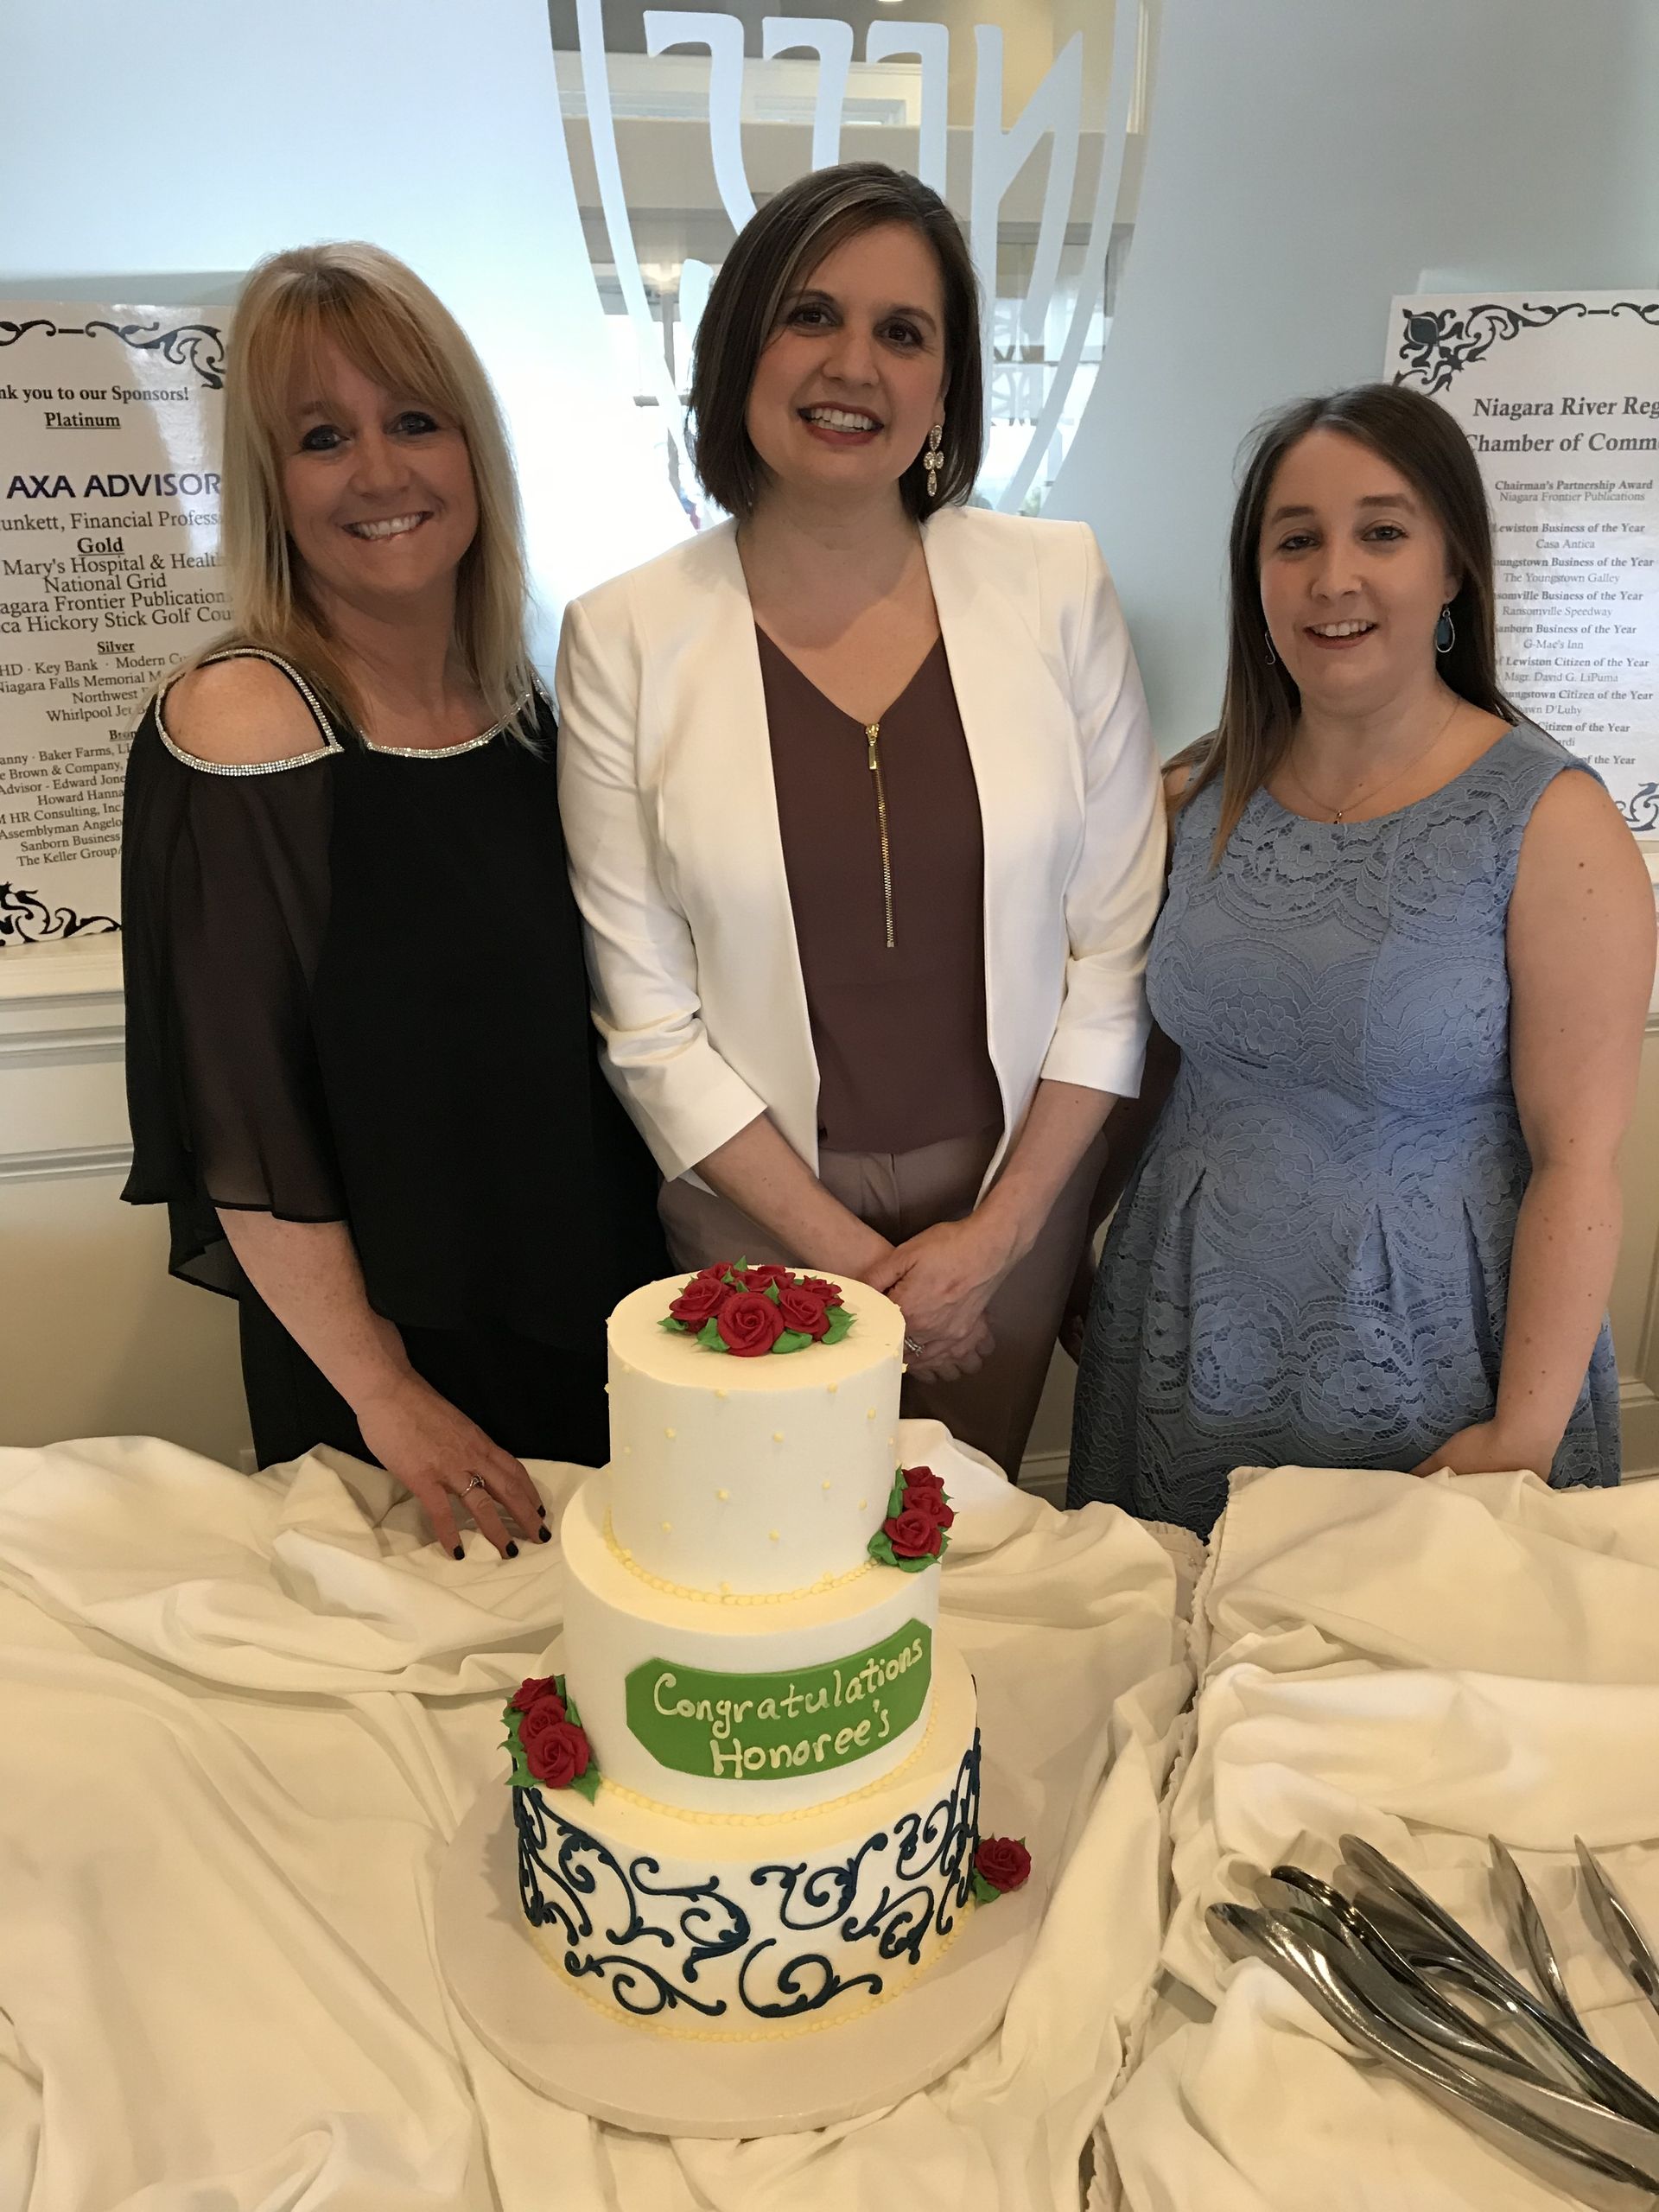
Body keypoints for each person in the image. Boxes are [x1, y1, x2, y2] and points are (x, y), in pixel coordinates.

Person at [556, 162, 1165, 1478]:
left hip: (1009, 1202)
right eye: (811, 316)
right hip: (751, 1205)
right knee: (770, 1567)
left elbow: (1111, 959)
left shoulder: (1057, 585)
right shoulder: (623, 635)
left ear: (947, 385)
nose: (856, 365)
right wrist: (856, 1271)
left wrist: (991, 1248)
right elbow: (647, 1023)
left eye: (905, 332)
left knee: (974, 1562)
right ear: (739, 351)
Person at [120, 243, 667, 1555]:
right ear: (269, 484)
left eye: (414, 422)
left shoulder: (523, 703)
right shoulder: (247, 724)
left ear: (473, 449)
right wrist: (392, 1402)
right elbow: (247, 1140)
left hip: (590, 1302)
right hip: (403, 1384)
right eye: (323, 438)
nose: (380, 472)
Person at [1068, 382, 1656, 1534]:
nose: (1335, 576)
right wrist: (1068, 1254)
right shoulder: (1194, 796)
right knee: (1185, 1685)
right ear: (1259, 580)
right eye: (1298, 541)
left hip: (1433, 1364)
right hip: (1187, 1331)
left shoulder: (1551, 820)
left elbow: (1579, 1162)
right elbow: (1150, 1068)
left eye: (1382, 532)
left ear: (1451, 570)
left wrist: (1519, 1439)